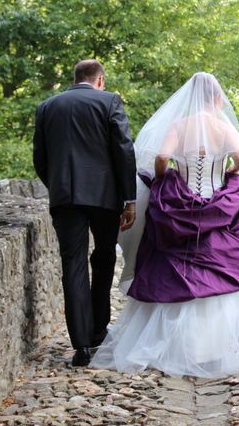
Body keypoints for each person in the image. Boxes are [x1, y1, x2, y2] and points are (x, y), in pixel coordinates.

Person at [90, 72, 239, 378]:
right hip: (218, 202)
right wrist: (228, 172)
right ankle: (216, 346)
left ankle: (172, 345)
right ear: (217, 98)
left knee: (171, 265)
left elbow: (163, 157)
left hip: (181, 202)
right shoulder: (222, 126)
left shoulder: (179, 125)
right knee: (226, 261)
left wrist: (167, 176)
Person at [33, 59, 137, 367]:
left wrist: (58, 185)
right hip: (105, 197)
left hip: (65, 198)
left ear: (75, 77)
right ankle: (97, 331)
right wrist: (129, 198)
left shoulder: (48, 107)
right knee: (104, 258)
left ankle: (80, 346)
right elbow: (124, 149)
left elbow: (40, 157)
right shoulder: (109, 102)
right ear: (100, 80)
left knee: (73, 264)